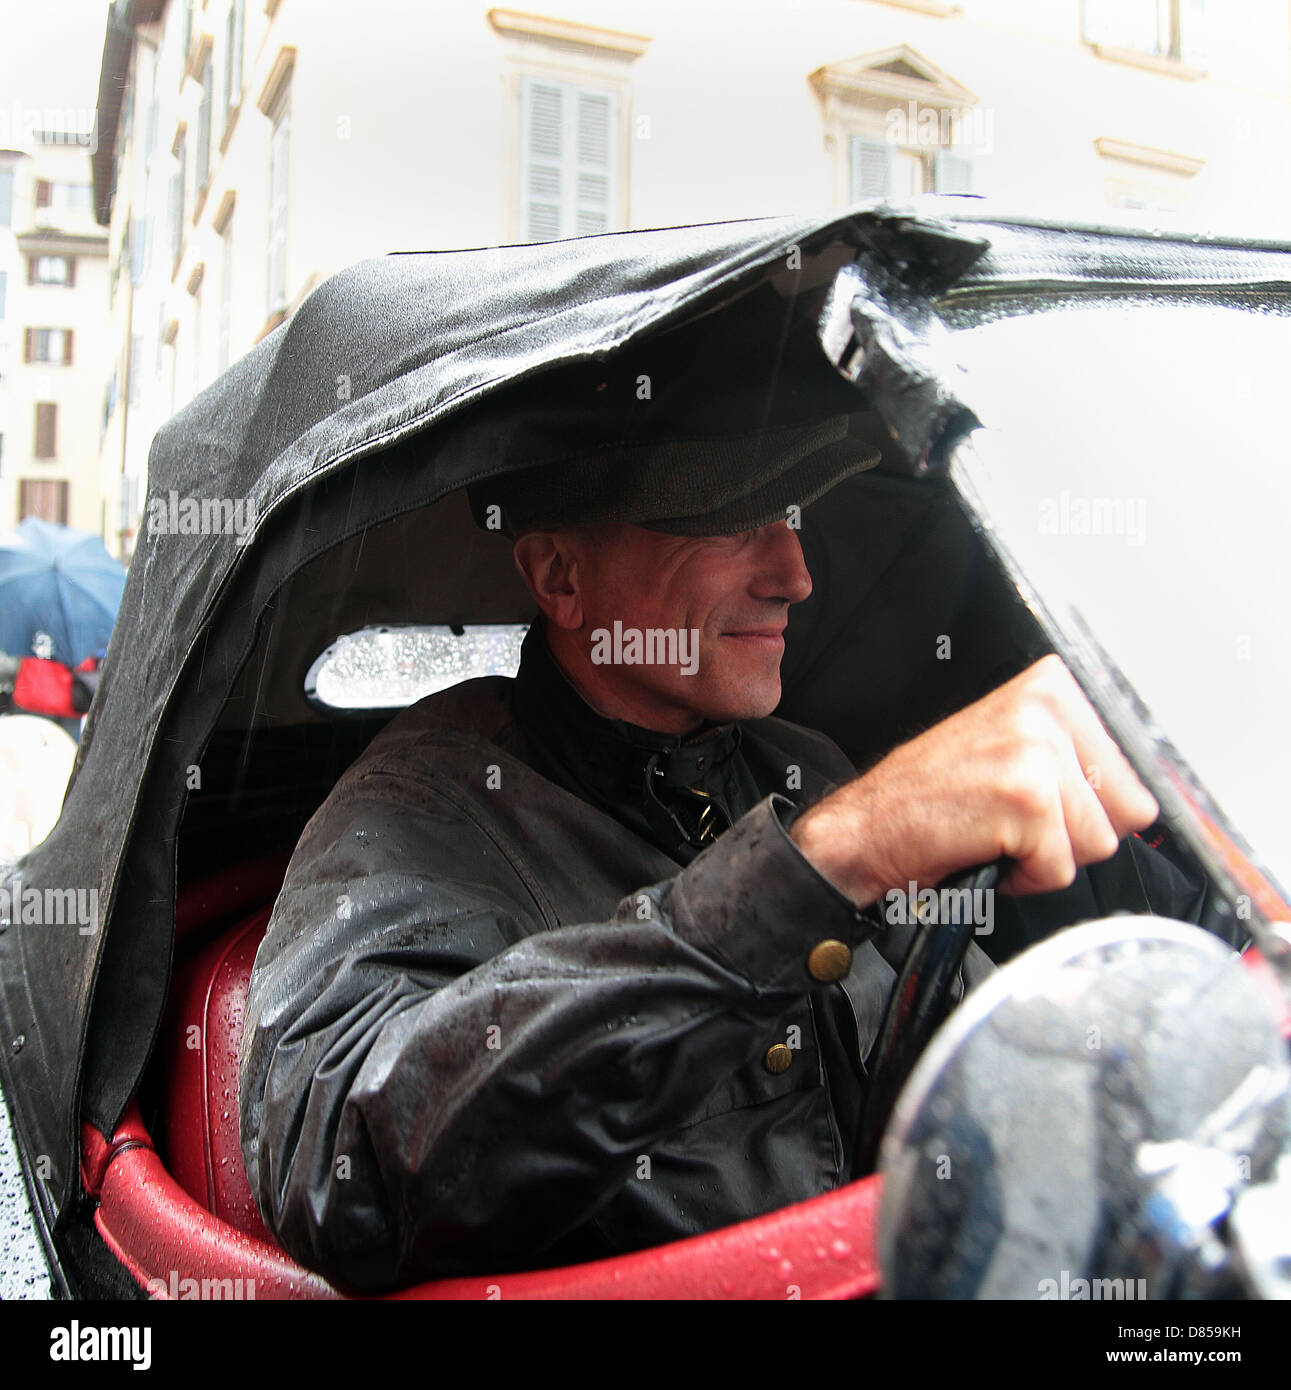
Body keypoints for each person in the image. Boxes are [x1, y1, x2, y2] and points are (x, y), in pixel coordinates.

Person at [238, 398, 1210, 1295]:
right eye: (724, 523)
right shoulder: (423, 809)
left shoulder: (800, 762)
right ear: (560, 577)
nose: (794, 574)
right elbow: (339, 1159)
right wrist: (824, 864)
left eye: (788, 517)